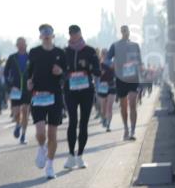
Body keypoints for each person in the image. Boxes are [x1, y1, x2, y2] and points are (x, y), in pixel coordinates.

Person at [26, 24, 67, 179]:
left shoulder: (60, 53)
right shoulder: (34, 52)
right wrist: (29, 82)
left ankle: (50, 165)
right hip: (37, 96)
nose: (46, 35)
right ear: (40, 36)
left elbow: (67, 74)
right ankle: (41, 147)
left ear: (53, 35)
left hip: (55, 96)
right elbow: (29, 73)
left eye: (49, 32)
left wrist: (61, 72)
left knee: (52, 134)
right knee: (41, 132)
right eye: (44, 33)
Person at [62, 25, 101, 169]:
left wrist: (88, 67)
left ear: (80, 34)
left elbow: (98, 72)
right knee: (73, 121)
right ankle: (71, 155)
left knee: (84, 123)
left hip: (86, 91)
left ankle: (80, 156)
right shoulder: (65, 52)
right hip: (70, 90)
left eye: (75, 33)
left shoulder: (90, 51)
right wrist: (65, 75)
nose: (73, 36)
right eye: (71, 34)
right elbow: (60, 72)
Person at [108, 25, 143, 140]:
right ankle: (126, 129)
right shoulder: (115, 46)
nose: (124, 32)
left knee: (132, 103)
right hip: (120, 79)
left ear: (129, 32)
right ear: (121, 32)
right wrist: (112, 64)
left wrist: (139, 67)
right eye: (122, 30)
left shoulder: (135, 45)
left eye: (126, 30)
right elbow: (107, 59)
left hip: (133, 78)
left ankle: (133, 130)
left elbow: (140, 61)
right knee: (123, 106)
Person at [4, 37, 32, 144]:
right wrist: (10, 86)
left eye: (23, 43)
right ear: (16, 45)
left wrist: (33, 82)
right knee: (16, 113)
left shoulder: (31, 57)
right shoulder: (12, 58)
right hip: (15, 89)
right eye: (19, 44)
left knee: (25, 112)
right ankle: (18, 124)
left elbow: (35, 71)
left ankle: (23, 135)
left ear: (26, 44)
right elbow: (6, 73)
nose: (21, 45)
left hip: (27, 89)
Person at [97, 50, 116, 131]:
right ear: (101, 55)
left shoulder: (112, 63)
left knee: (109, 107)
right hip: (102, 86)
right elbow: (96, 75)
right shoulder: (98, 64)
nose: (105, 55)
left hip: (112, 86)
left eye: (106, 53)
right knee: (103, 107)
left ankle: (108, 125)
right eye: (103, 53)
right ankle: (104, 119)